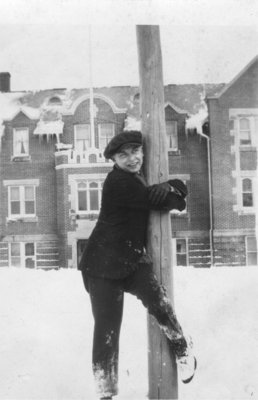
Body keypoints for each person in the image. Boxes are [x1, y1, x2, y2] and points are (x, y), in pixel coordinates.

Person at [79, 131, 196, 400]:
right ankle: (105, 393)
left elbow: (169, 196)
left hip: (132, 260)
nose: (132, 159)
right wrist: (172, 187)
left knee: (160, 303)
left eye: (135, 152)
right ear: (115, 160)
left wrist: (169, 186)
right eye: (124, 155)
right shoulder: (120, 182)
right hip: (102, 267)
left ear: (142, 152)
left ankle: (183, 349)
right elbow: (171, 203)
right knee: (107, 332)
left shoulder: (136, 178)